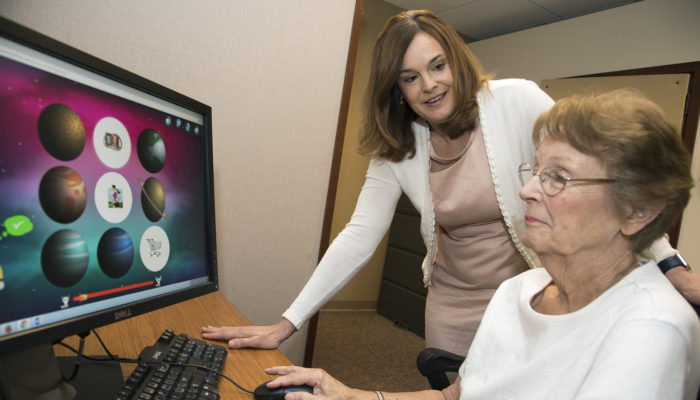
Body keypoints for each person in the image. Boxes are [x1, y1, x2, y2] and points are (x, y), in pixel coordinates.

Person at [202, 10, 699, 357]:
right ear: (395, 91)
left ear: (456, 61)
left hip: (533, 294)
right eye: (409, 78)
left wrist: (671, 265)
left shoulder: (516, 101)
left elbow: (608, 178)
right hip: (451, 303)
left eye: (437, 66)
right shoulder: (399, 147)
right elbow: (358, 236)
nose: (429, 85)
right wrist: (288, 322)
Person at [260, 90, 700, 400]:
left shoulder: (650, 330)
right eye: (535, 170)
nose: (526, 190)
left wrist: (674, 267)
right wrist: (355, 398)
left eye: (558, 177)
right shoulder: (520, 289)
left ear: (638, 211)